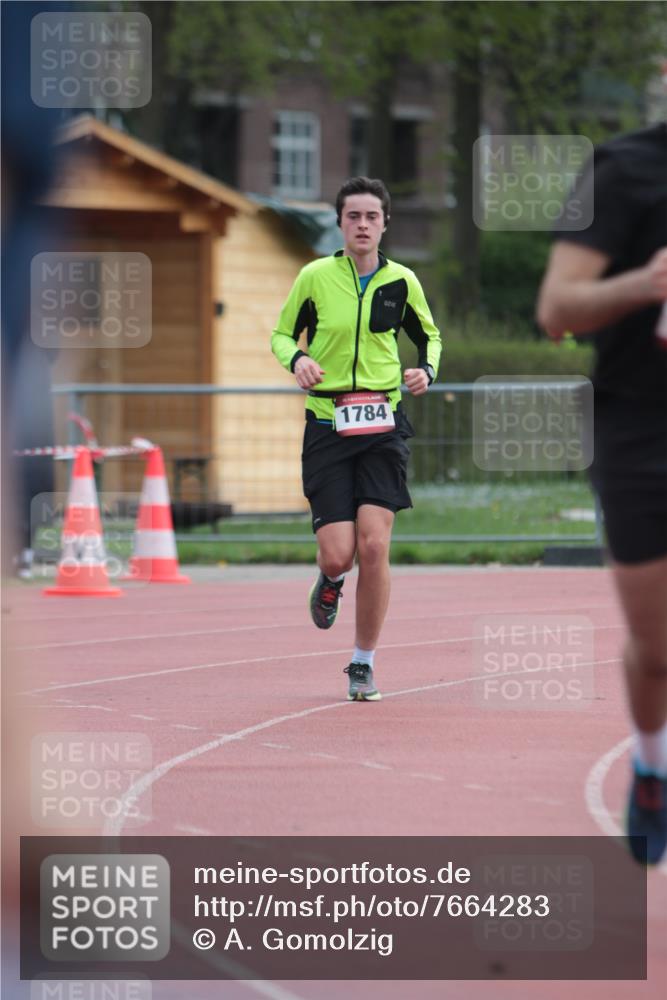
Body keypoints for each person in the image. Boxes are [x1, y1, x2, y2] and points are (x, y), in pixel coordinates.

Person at [536, 123, 667, 863]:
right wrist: (642, 285)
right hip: (641, 430)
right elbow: (556, 308)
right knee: (655, 652)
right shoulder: (624, 170)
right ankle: (651, 765)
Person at [272, 176, 441, 701]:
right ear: (340, 223)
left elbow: (429, 337)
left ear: (385, 223)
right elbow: (281, 334)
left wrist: (425, 373)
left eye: (372, 216)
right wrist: (298, 359)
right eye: (353, 217)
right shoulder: (315, 277)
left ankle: (362, 662)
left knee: (374, 545)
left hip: (382, 426)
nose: (363, 225)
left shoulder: (403, 281)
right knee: (338, 555)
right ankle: (328, 581)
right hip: (327, 425)